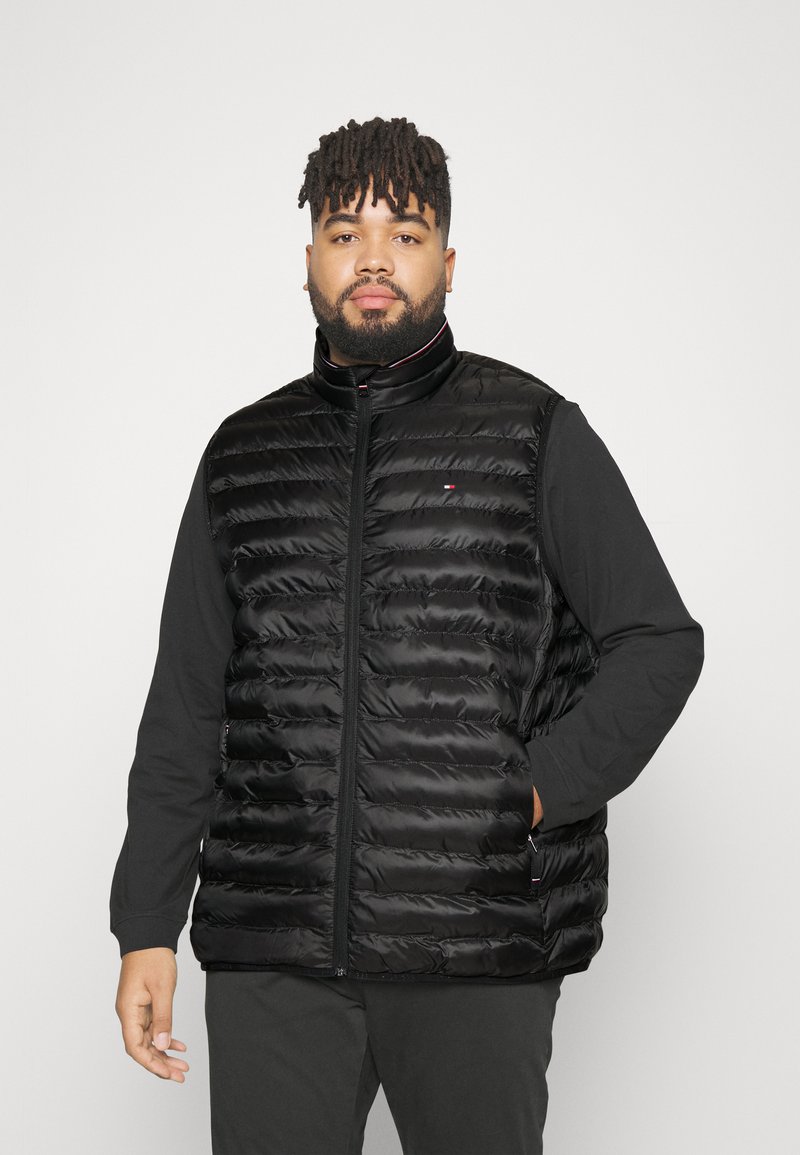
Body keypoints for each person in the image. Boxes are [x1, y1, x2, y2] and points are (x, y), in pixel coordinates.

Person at [110, 115, 704, 1155]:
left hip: (475, 941)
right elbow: (188, 703)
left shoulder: (533, 433)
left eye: (406, 232)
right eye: (345, 233)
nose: (374, 258)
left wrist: (531, 790)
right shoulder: (243, 457)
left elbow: (658, 639)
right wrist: (146, 925)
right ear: (309, 258)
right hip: (274, 951)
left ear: (447, 262)